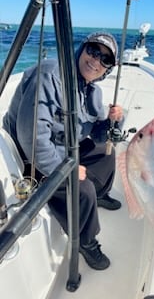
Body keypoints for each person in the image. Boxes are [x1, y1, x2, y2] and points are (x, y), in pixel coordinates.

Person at [3, 32, 124, 270]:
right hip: (28, 157)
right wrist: (64, 169)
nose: (96, 61)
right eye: (93, 51)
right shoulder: (49, 76)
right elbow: (31, 139)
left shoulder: (93, 92)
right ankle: (86, 242)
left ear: (108, 68)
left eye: (105, 59)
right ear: (82, 49)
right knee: (82, 188)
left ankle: (100, 195)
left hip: (64, 148)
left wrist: (114, 121)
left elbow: (100, 134)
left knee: (106, 153)